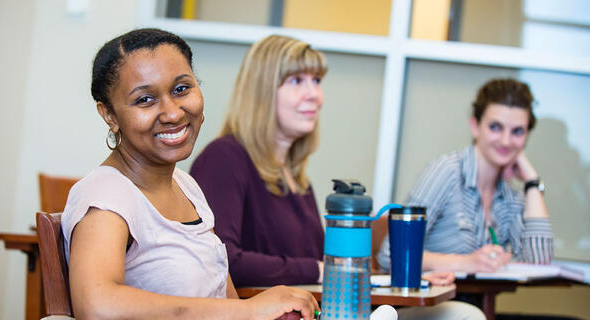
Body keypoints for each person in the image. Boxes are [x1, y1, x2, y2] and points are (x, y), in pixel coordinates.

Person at [191, 34, 485, 320]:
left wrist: (405, 280)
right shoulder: (224, 158)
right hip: (277, 313)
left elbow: (323, 260)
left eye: (316, 81)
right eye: (297, 81)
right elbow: (225, 260)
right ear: (262, 91)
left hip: (318, 308)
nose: (314, 95)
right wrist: (320, 270)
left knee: (462, 314)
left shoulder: (295, 175)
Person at [61, 28, 319, 320]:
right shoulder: (106, 194)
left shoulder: (186, 187)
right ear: (109, 115)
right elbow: (96, 305)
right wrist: (249, 309)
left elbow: (226, 302)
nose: (172, 113)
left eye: (181, 89)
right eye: (145, 99)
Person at [378, 78, 553, 274]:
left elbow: (538, 265)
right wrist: (465, 263)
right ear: (475, 126)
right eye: (495, 127)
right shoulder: (446, 172)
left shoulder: (509, 197)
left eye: (517, 132)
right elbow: (391, 254)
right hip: (431, 300)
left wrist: (531, 182)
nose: (505, 141)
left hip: (478, 302)